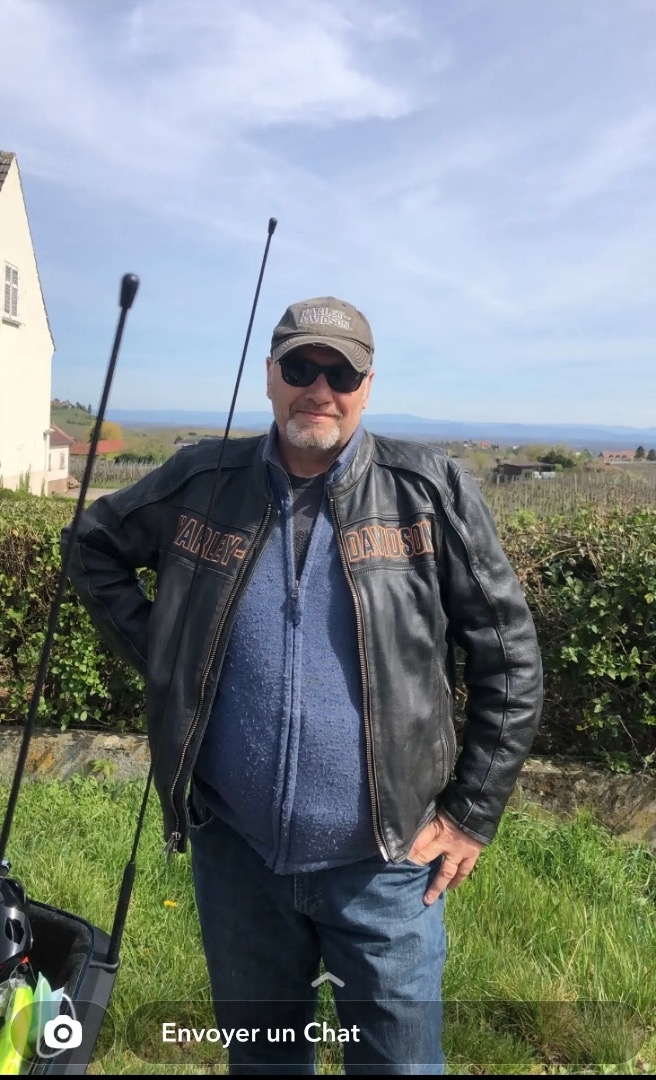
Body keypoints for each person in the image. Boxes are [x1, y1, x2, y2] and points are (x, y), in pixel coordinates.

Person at [61, 296, 543, 1074]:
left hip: (387, 864)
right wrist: (171, 656)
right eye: (300, 367)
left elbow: (510, 655)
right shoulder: (204, 480)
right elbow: (90, 545)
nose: (319, 389)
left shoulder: (429, 491)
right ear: (269, 376)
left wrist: (470, 815)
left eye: (341, 374)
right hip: (237, 856)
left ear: (367, 386)